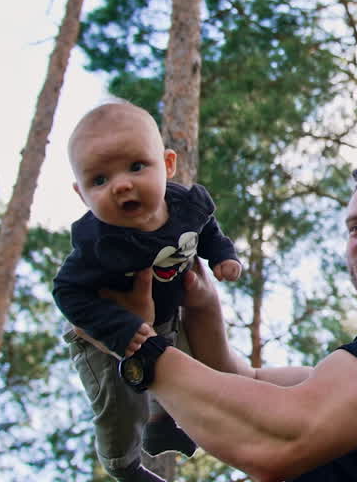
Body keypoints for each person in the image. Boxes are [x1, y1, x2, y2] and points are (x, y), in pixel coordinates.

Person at [100, 149, 357, 481]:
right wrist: (203, 305)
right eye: (355, 228)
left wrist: (136, 346)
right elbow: (241, 380)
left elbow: (279, 440)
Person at [53, 101, 243, 482]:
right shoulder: (97, 244)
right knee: (122, 406)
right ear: (82, 195)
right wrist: (118, 329)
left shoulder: (186, 206)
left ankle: (163, 422)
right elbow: (67, 292)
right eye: (99, 180)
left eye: (137, 166)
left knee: (191, 371)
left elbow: (205, 228)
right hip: (104, 340)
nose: (121, 184)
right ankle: (123, 465)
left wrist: (222, 253)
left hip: (166, 318)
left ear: (168, 165)